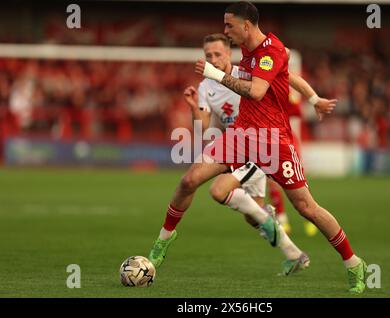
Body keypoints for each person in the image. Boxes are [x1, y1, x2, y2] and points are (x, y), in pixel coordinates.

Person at [191, 1, 367, 293]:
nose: (225, 31)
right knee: (196, 179)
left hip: (273, 142)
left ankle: (352, 262)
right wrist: (313, 97)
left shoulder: (271, 51)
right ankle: (165, 239)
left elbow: (258, 92)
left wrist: (216, 74)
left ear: (246, 25)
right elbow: (287, 77)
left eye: (229, 25)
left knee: (307, 208)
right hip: (243, 137)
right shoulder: (248, 50)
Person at [150, 33, 310, 276]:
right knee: (247, 213)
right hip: (231, 148)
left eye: (217, 54)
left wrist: (314, 97)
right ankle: (295, 254)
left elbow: (288, 78)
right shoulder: (205, 86)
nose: (212, 59)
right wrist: (194, 108)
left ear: (228, 54)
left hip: (258, 147)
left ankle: (287, 241)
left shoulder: (246, 75)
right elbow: (202, 128)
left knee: (218, 190)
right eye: (208, 55)